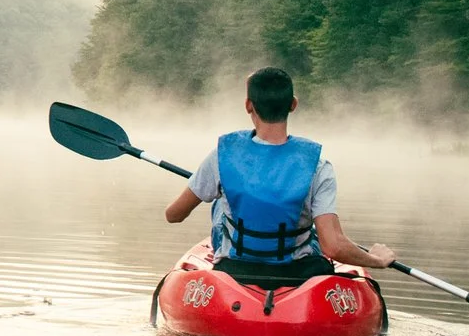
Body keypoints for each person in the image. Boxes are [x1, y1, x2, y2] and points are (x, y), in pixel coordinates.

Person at [164, 66, 395, 284]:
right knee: (312, 228)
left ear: (248, 105)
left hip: (235, 271)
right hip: (298, 274)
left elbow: (174, 215)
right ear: (293, 104)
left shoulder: (221, 157)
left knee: (219, 207)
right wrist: (376, 260)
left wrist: (210, 185)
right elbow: (333, 247)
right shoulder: (318, 166)